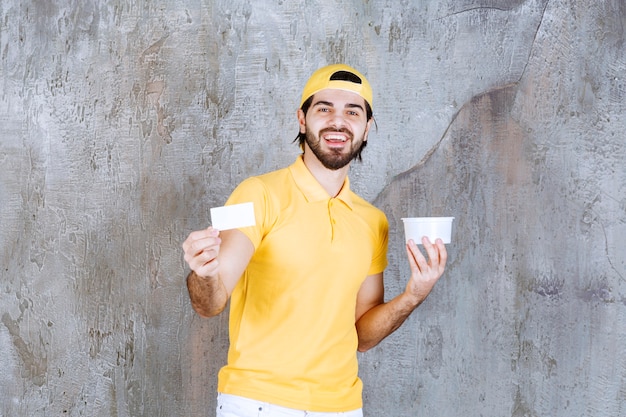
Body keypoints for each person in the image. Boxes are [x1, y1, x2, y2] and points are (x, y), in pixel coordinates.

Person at [182, 63, 448, 417]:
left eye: (352, 112)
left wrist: (414, 295)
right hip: (258, 403)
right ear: (302, 119)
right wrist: (204, 272)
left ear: (367, 128)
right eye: (324, 108)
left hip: (342, 407)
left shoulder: (373, 222)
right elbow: (210, 303)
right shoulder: (256, 194)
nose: (338, 121)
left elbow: (363, 336)